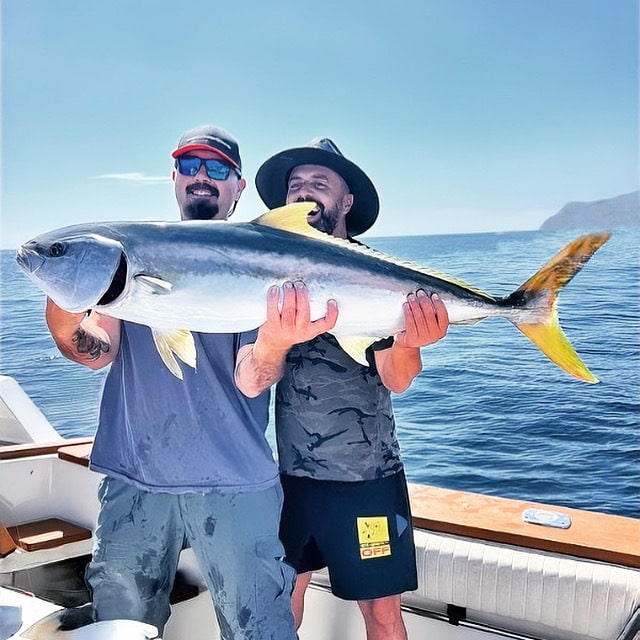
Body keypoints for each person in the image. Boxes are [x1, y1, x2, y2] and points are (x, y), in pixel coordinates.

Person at [45, 125, 298, 640]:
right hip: (134, 477)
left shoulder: (259, 262)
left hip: (235, 481)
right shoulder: (134, 257)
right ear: (175, 177)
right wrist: (65, 309)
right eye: (190, 165)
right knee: (119, 628)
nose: (202, 176)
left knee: (260, 631)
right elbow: (97, 350)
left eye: (218, 168)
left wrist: (276, 341)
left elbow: (254, 378)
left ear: (239, 186)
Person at [235, 138, 449, 640]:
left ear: (346, 201)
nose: (304, 191)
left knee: (381, 614)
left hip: (366, 480)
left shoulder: (377, 274)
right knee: (282, 600)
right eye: (296, 185)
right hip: (291, 477)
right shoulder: (267, 274)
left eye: (320, 183)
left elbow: (397, 377)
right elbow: (251, 375)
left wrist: (410, 341)